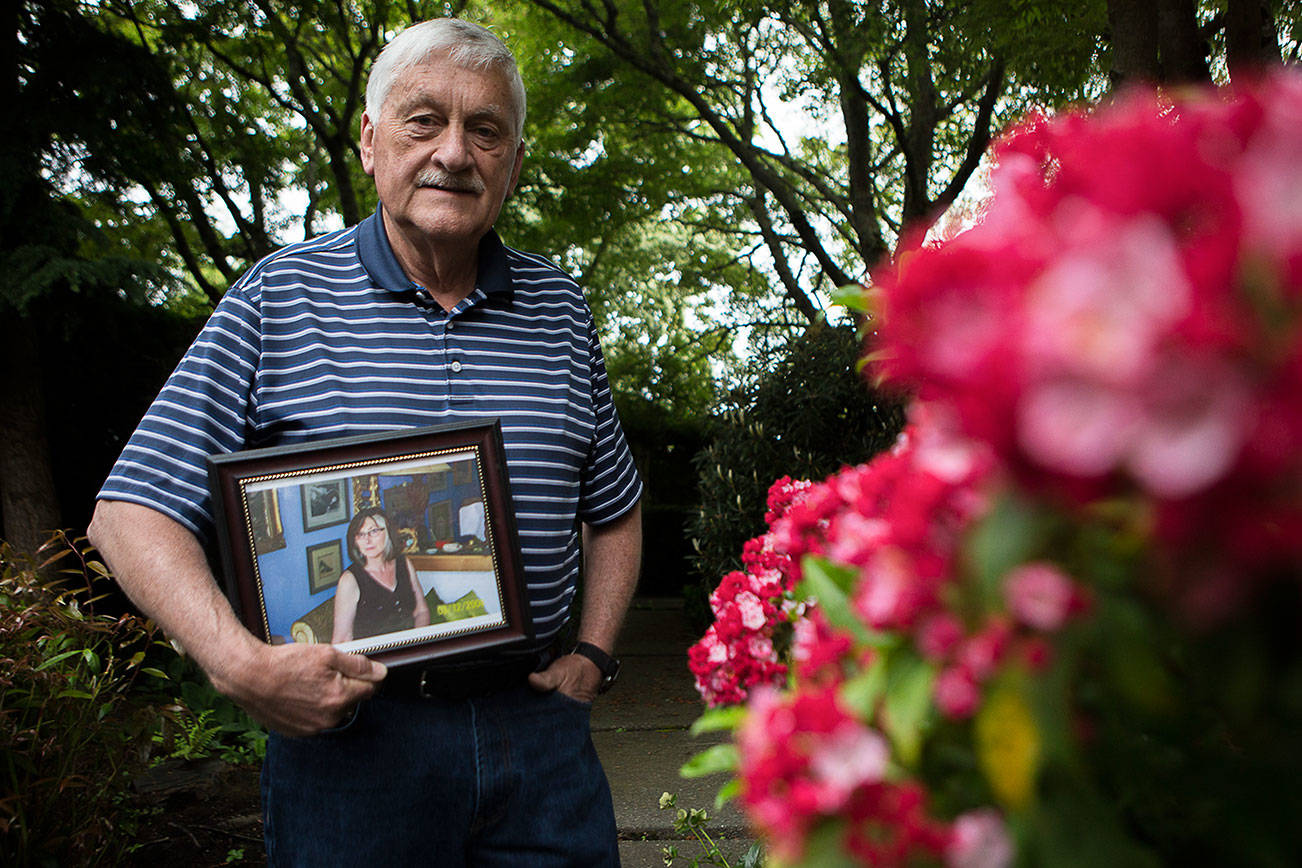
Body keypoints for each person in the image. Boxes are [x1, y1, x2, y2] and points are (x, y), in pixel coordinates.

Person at [88, 17, 642, 866]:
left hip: (541, 742)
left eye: (486, 130)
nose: (455, 153)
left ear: (514, 164)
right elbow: (130, 512)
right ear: (371, 143)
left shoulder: (561, 311)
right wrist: (236, 664)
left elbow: (614, 510)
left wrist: (595, 656)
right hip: (352, 750)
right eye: (425, 121)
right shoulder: (277, 297)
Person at [332, 507, 431, 643]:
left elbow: (421, 611)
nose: (367, 540)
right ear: (354, 542)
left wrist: (418, 643)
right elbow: (342, 639)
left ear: (388, 533)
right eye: (360, 535)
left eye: (373, 531)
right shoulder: (349, 580)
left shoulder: (404, 563)